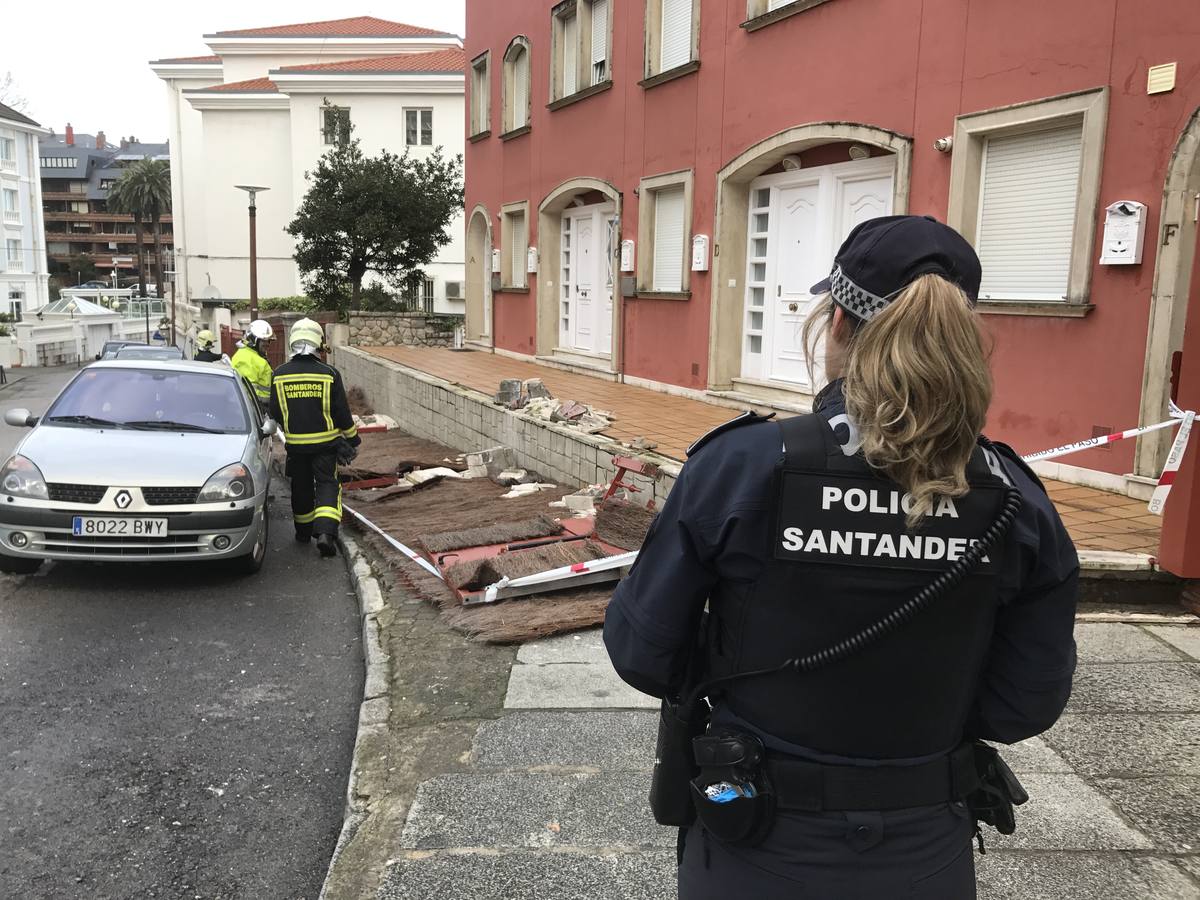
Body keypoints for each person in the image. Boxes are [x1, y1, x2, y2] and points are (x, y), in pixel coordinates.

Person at [604, 215, 1079, 899]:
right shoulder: (1016, 501)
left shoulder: (743, 465)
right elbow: (1021, 706)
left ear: (837, 327)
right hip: (925, 847)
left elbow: (639, 651)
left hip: (756, 839)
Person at [268, 318, 360, 558]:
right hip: (325, 446)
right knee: (328, 485)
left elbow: (275, 413)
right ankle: (326, 534)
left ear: (293, 341)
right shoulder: (329, 374)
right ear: (318, 342)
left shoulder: (279, 375)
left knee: (301, 487)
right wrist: (352, 440)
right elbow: (342, 412)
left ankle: (302, 531)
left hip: (296, 447)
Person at [231, 319, 274, 407]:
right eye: (264, 341)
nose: (267, 344)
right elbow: (247, 392)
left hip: (258, 407)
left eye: (268, 341)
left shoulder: (253, 356)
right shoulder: (245, 358)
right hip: (255, 407)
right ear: (253, 340)